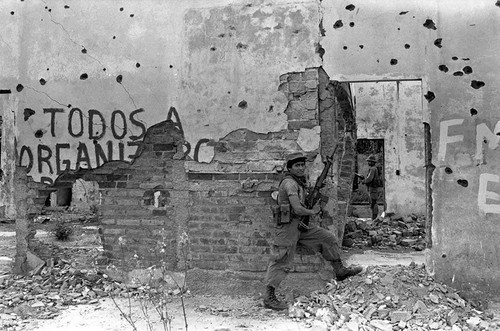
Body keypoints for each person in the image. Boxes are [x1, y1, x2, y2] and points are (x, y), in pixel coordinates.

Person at [263, 152, 363, 311]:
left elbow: (304, 202)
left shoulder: (300, 182)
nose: (301, 168)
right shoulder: (289, 183)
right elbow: (297, 208)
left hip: (301, 226)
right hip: (287, 228)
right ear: (290, 168)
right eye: (297, 165)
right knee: (281, 260)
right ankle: (269, 297)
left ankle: (340, 270)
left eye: (303, 165)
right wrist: (312, 212)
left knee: (328, 238)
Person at [359, 154, 380, 221]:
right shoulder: (373, 169)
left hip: (372, 188)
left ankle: (374, 218)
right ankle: (374, 217)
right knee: (372, 202)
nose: (368, 162)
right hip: (372, 188)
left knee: (373, 202)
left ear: (372, 162)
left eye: (369, 161)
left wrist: (363, 181)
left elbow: (369, 179)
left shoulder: (373, 169)